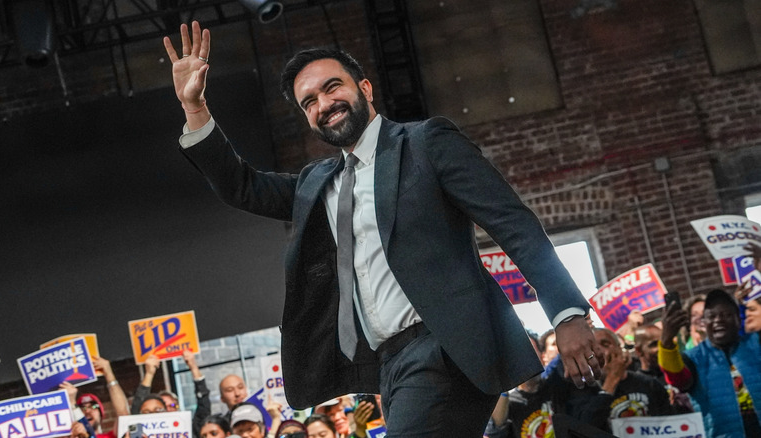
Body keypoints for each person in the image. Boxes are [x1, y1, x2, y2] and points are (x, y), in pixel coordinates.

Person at [163, 21, 601, 437]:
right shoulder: (318, 184)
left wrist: (567, 313)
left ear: (365, 88)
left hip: (446, 348)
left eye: (331, 87)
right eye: (309, 101)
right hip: (386, 367)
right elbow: (242, 187)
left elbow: (514, 225)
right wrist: (194, 106)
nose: (323, 104)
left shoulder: (427, 144)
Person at [659, 288, 761, 437]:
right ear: (704, 323)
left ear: (738, 319)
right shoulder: (694, 357)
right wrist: (667, 342)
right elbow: (679, 381)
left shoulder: (756, 343)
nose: (718, 320)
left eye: (726, 315)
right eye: (711, 316)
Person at [131, 351, 210, 437]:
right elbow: (137, 408)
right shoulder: (144, 432)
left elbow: (204, 406)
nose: (168, 410)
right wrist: (149, 374)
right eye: (160, 409)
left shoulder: (189, 429)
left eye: (172, 405)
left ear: (178, 407)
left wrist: (194, 367)